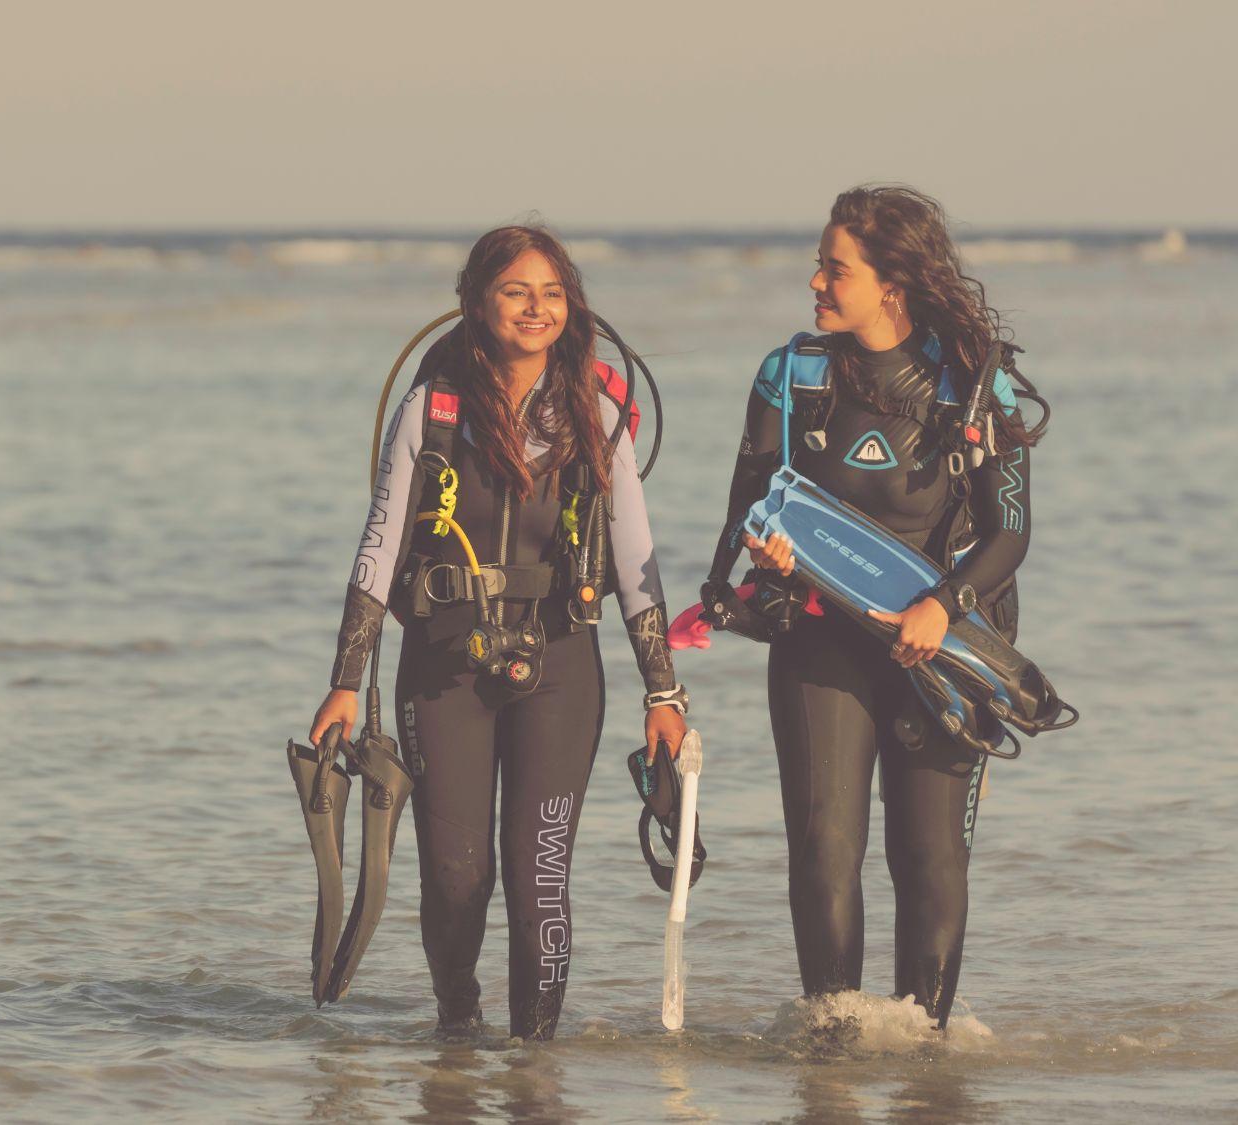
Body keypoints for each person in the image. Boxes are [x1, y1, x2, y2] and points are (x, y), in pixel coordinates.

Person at [309, 224, 687, 1039]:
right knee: (456, 876)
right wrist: (346, 679)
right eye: (516, 291)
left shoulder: (599, 409)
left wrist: (663, 691)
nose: (536, 308)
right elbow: (378, 549)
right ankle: (457, 1027)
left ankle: (534, 1062)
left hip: (561, 665)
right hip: (443, 667)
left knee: (539, 877)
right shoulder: (432, 409)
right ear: (478, 302)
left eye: (552, 293)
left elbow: (635, 558)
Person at [705, 185, 1050, 1028]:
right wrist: (756, 569)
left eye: (834, 268)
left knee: (929, 858)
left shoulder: (974, 384)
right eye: (819, 265)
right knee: (825, 851)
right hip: (822, 644)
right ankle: (834, 1044)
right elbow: (745, 510)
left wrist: (943, 605)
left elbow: (1010, 532)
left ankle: (926, 1050)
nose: (816, 283)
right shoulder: (791, 377)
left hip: (941, 648)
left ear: (890, 280)